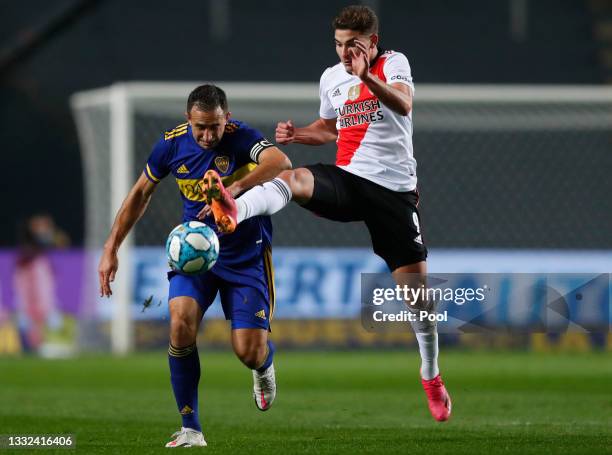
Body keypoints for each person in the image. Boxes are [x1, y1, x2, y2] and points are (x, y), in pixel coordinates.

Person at [201, 6, 451, 422]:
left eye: (352, 45)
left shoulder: (394, 63)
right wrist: (300, 134)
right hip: (348, 179)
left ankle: (431, 374)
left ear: (372, 42)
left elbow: (404, 105)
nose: (342, 53)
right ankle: (236, 208)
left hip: (393, 192)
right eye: (337, 44)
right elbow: (331, 128)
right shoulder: (332, 78)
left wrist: (366, 75)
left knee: (418, 299)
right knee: (295, 176)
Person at [98, 84, 291, 447]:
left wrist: (233, 190)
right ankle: (191, 428)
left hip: (246, 256)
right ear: (188, 120)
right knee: (180, 324)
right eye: (200, 127)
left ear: (226, 119)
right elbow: (141, 192)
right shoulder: (171, 144)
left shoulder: (241, 137)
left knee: (248, 352)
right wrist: (111, 246)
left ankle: (263, 366)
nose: (207, 135)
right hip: (194, 255)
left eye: (214, 127)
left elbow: (280, 162)